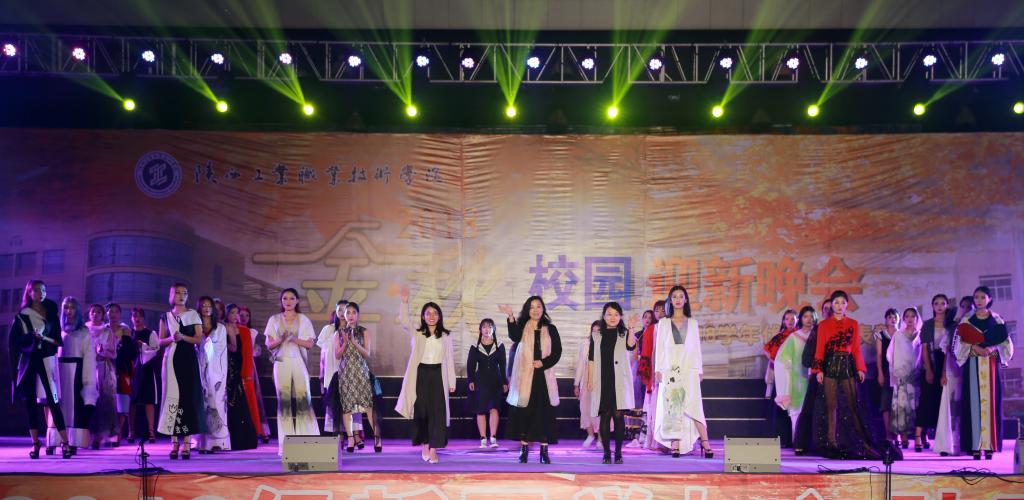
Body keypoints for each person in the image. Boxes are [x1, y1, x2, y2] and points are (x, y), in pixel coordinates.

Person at [812, 290, 879, 459]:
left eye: (843, 302)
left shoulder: (853, 324)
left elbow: (856, 349)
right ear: (831, 305)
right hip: (830, 365)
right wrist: (818, 370)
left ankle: (863, 443)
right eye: (836, 302)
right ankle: (832, 442)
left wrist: (860, 368)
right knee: (831, 406)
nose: (839, 306)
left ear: (847, 305)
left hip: (848, 365)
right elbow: (819, 349)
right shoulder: (823, 325)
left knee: (853, 404)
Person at [395, 287, 456, 464]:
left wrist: (451, 381)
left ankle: (434, 450)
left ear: (439, 316)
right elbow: (404, 321)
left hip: (438, 376)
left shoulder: (446, 336)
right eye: (428, 313)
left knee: (438, 413)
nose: (431, 316)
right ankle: (425, 445)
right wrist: (404, 303)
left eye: (435, 313)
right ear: (423, 316)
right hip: (421, 375)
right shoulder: (417, 333)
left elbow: (449, 359)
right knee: (422, 412)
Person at [10, 280, 70, 459]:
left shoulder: (51, 312)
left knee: (53, 401)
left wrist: (43, 338)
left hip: (46, 358)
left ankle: (65, 443)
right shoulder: (22, 315)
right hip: (29, 360)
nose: (41, 293)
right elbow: (15, 343)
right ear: (29, 293)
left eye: (43, 290)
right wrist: (30, 338)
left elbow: (58, 341)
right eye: (36, 290)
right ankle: (35, 444)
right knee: (30, 402)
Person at [500, 296, 562, 464]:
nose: (535, 310)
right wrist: (510, 316)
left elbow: (557, 352)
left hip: (544, 377)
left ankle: (544, 451)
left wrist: (543, 362)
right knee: (525, 414)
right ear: (528, 310)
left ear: (543, 309)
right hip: (525, 377)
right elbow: (514, 336)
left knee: (543, 415)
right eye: (532, 307)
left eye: (538, 306)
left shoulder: (551, 329)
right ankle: (524, 449)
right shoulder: (522, 327)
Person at [953, 286, 1014, 460]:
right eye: (976, 297)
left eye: (982, 297)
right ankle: (974, 445)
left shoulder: (997, 320)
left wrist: (993, 348)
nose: (979, 300)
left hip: (991, 364)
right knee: (973, 403)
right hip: (973, 363)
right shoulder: (967, 319)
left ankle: (989, 445)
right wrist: (974, 347)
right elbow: (958, 343)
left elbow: (1006, 343)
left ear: (989, 299)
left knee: (991, 403)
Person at [653, 285, 711, 458]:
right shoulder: (664, 323)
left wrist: (699, 369)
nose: (678, 299)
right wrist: (658, 370)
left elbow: (696, 349)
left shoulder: (693, 323)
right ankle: (675, 443)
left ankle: (705, 442)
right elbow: (660, 349)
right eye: (674, 297)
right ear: (670, 301)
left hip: (689, 369)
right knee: (673, 406)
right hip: (670, 370)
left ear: (685, 300)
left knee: (694, 405)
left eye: (681, 296)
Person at [264, 288, 319, 455]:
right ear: (281, 301)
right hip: (281, 362)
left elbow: (310, 344)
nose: (288, 301)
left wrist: (294, 339)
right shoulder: (274, 319)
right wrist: (281, 339)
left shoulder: (303, 319)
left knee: (304, 399)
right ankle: (285, 445)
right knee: (284, 403)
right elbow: (269, 344)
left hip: (298, 360)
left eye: (291, 298)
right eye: (285, 298)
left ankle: (308, 442)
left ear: (297, 301)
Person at [157, 283, 206, 460]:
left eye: (184, 293)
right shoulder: (165, 316)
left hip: (188, 360)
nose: (181, 296)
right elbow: (160, 341)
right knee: (172, 399)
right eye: (177, 292)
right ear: (171, 295)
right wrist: (171, 338)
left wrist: (183, 337)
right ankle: (174, 444)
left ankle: (186, 442)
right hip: (171, 360)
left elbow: (198, 339)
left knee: (187, 399)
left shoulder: (193, 314)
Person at [586, 302, 639, 464]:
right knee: (605, 416)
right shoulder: (596, 336)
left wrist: (631, 328)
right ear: (604, 316)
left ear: (620, 317)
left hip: (619, 381)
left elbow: (631, 346)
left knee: (618, 416)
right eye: (609, 314)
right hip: (602, 381)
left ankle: (618, 453)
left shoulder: (624, 334)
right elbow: (591, 359)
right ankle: (606, 453)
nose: (612, 317)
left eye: (616, 314)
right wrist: (590, 379)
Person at [47, 296, 96, 455]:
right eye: (66, 307)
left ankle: (72, 441)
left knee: (74, 408)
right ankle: (53, 440)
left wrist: (88, 383)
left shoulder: (84, 332)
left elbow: (89, 357)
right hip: (59, 371)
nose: (69, 311)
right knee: (57, 406)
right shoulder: (57, 329)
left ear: (77, 310)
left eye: (72, 307)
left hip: (76, 372)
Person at [337, 302, 382, 453]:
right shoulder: (339, 333)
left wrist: (355, 343)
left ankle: (377, 439)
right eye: (347, 312)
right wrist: (345, 343)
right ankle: (350, 440)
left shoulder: (364, 331)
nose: (350, 315)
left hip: (361, 373)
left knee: (368, 407)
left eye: (353, 312)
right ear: (344, 315)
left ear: (357, 315)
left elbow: (367, 353)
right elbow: (337, 355)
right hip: (345, 374)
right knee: (347, 408)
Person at [917, 294, 955, 453]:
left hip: (948, 363)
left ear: (947, 305)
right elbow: (924, 348)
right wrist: (929, 370)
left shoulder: (952, 325)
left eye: (943, 303)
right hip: (931, 362)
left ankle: (944, 439)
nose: (940, 306)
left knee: (943, 402)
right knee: (926, 400)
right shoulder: (927, 324)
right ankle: (920, 435)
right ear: (932, 306)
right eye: (936, 304)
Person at [774, 306, 816, 450]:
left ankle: (812, 444)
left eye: (811, 316)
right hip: (798, 380)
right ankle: (797, 443)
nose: (809, 319)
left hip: (815, 379)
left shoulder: (818, 335)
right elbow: (782, 358)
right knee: (797, 412)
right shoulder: (794, 337)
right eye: (805, 316)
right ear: (801, 319)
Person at [467, 318, 508, 449]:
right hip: (481, 381)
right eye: (484, 327)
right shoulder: (475, 346)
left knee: (494, 408)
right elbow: (470, 365)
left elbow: (503, 365)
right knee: (481, 409)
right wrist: (471, 380)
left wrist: (505, 382)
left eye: (489, 327)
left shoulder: (499, 345)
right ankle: (483, 439)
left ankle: (493, 438)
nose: (486, 329)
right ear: (480, 329)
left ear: (493, 329)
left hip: (496, 381)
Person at [197, 296, 230, 453]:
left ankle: (219, 441)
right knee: (201, 404)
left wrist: (209, 344)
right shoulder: (195, 327)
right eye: (203, 305)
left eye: (209, 305)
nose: (207, 308)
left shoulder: (221, 328)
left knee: (216, 403)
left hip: (216, 371)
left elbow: (221, 350)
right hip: (199, 369)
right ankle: (200, 441)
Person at [224, 303, 258, 451]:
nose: (235, 316)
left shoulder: (241, 330)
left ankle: (241, 438)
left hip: (235, 366)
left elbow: (237, 349)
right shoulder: (223, 327)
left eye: (237, 313)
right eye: (232, 313)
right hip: (224, 364)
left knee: (236, 398)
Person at [888, 307, 922, 451]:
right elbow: (891, 355)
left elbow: (923, 354)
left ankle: (920, 436)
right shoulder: (898, 335)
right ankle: (903, 436)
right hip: (901, 376)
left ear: (917, 318)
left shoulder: (920, 335)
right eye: (907, 316)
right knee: (902, 406)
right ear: (903, 319)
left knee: (918, 405)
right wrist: (894, 373)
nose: (910, 319)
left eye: (913, 316)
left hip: (916, 376)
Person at [764, 309, 797, 447]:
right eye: (787, 319)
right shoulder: (779, 337)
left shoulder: (800, 335)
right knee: (782, 406)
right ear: (783, 321)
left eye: (793, 318)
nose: (790, 321)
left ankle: (795, 439)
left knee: (795, 407)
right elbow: (767, 350)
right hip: (781, 377)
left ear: (797, 320)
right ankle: (782, 438)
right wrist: (776, 363)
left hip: (796, 376)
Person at [86, 303, 118, 449]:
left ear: (102, 315)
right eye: (93, 311)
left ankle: (101, 436)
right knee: (88, 403)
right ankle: (86, 435)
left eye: (98, 312)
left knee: (103, 402)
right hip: (86, 368)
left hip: (102, 369)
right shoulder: (84, 329)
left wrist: (102, 352)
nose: (95, 314)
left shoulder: (107, 331)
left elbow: (113, 353)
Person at [240, 306, 271, 443]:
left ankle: (261, 430)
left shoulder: (253, 332)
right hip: (234, 364)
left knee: (255, 398)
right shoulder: (231, 329)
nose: (244, 318)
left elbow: (256, 351)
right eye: (241, 315)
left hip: (249, 365)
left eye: (247, 315)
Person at [128, 307, 160, 444]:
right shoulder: (128, 333)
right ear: (131, 318)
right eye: (134, 316)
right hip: (131, 370)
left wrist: (144, 346)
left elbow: (155, 349)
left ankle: (151, 432)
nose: (137, 318)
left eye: (140, 316)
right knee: (131, 402)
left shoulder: (150, 333)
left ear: (144, 318)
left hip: (147, 370)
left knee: (149, 401)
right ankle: (131, 432)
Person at [317, 300, 347, 436]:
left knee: (348, 406)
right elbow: (322, 355)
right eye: (339, 309)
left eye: (345, 310)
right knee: (333, 406)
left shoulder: (353, 330)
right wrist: (321, 376)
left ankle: (352, 435)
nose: (342, 313)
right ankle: (337, 434)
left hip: (347, 373)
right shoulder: (327, 329)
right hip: (331, 372)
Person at [639, 300, 665, 451]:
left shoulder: (671, 327)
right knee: (654, 408)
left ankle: (671, 442)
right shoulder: (651, 329)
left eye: (663, 310)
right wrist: (648, 377)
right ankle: (656, 441)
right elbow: (646, 354)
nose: (659, 314)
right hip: (655, 376)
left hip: (671, 373)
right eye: (657, 311)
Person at [874, 308, 900, 446]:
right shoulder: (880, 335)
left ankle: (898, 434)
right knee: (886, 403)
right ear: (885, 320)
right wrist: (880, 373)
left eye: (895, 317)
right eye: (890, 317)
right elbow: (879, 355)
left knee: (899, 404)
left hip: (900, 372)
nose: (892, 319)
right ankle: (888, 434)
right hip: (886, 371)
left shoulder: (902, 334)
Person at [574, 321, 601, 448]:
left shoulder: (607, 344)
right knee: (585, 409)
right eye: (593, 331)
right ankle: (590, 435)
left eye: (598, 331)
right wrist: (576, 384)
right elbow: (580, 365)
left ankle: (600, 439)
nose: (595, 333)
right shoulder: (585, 344)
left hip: (601, 381)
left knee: (600, 411)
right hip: (586, 381)